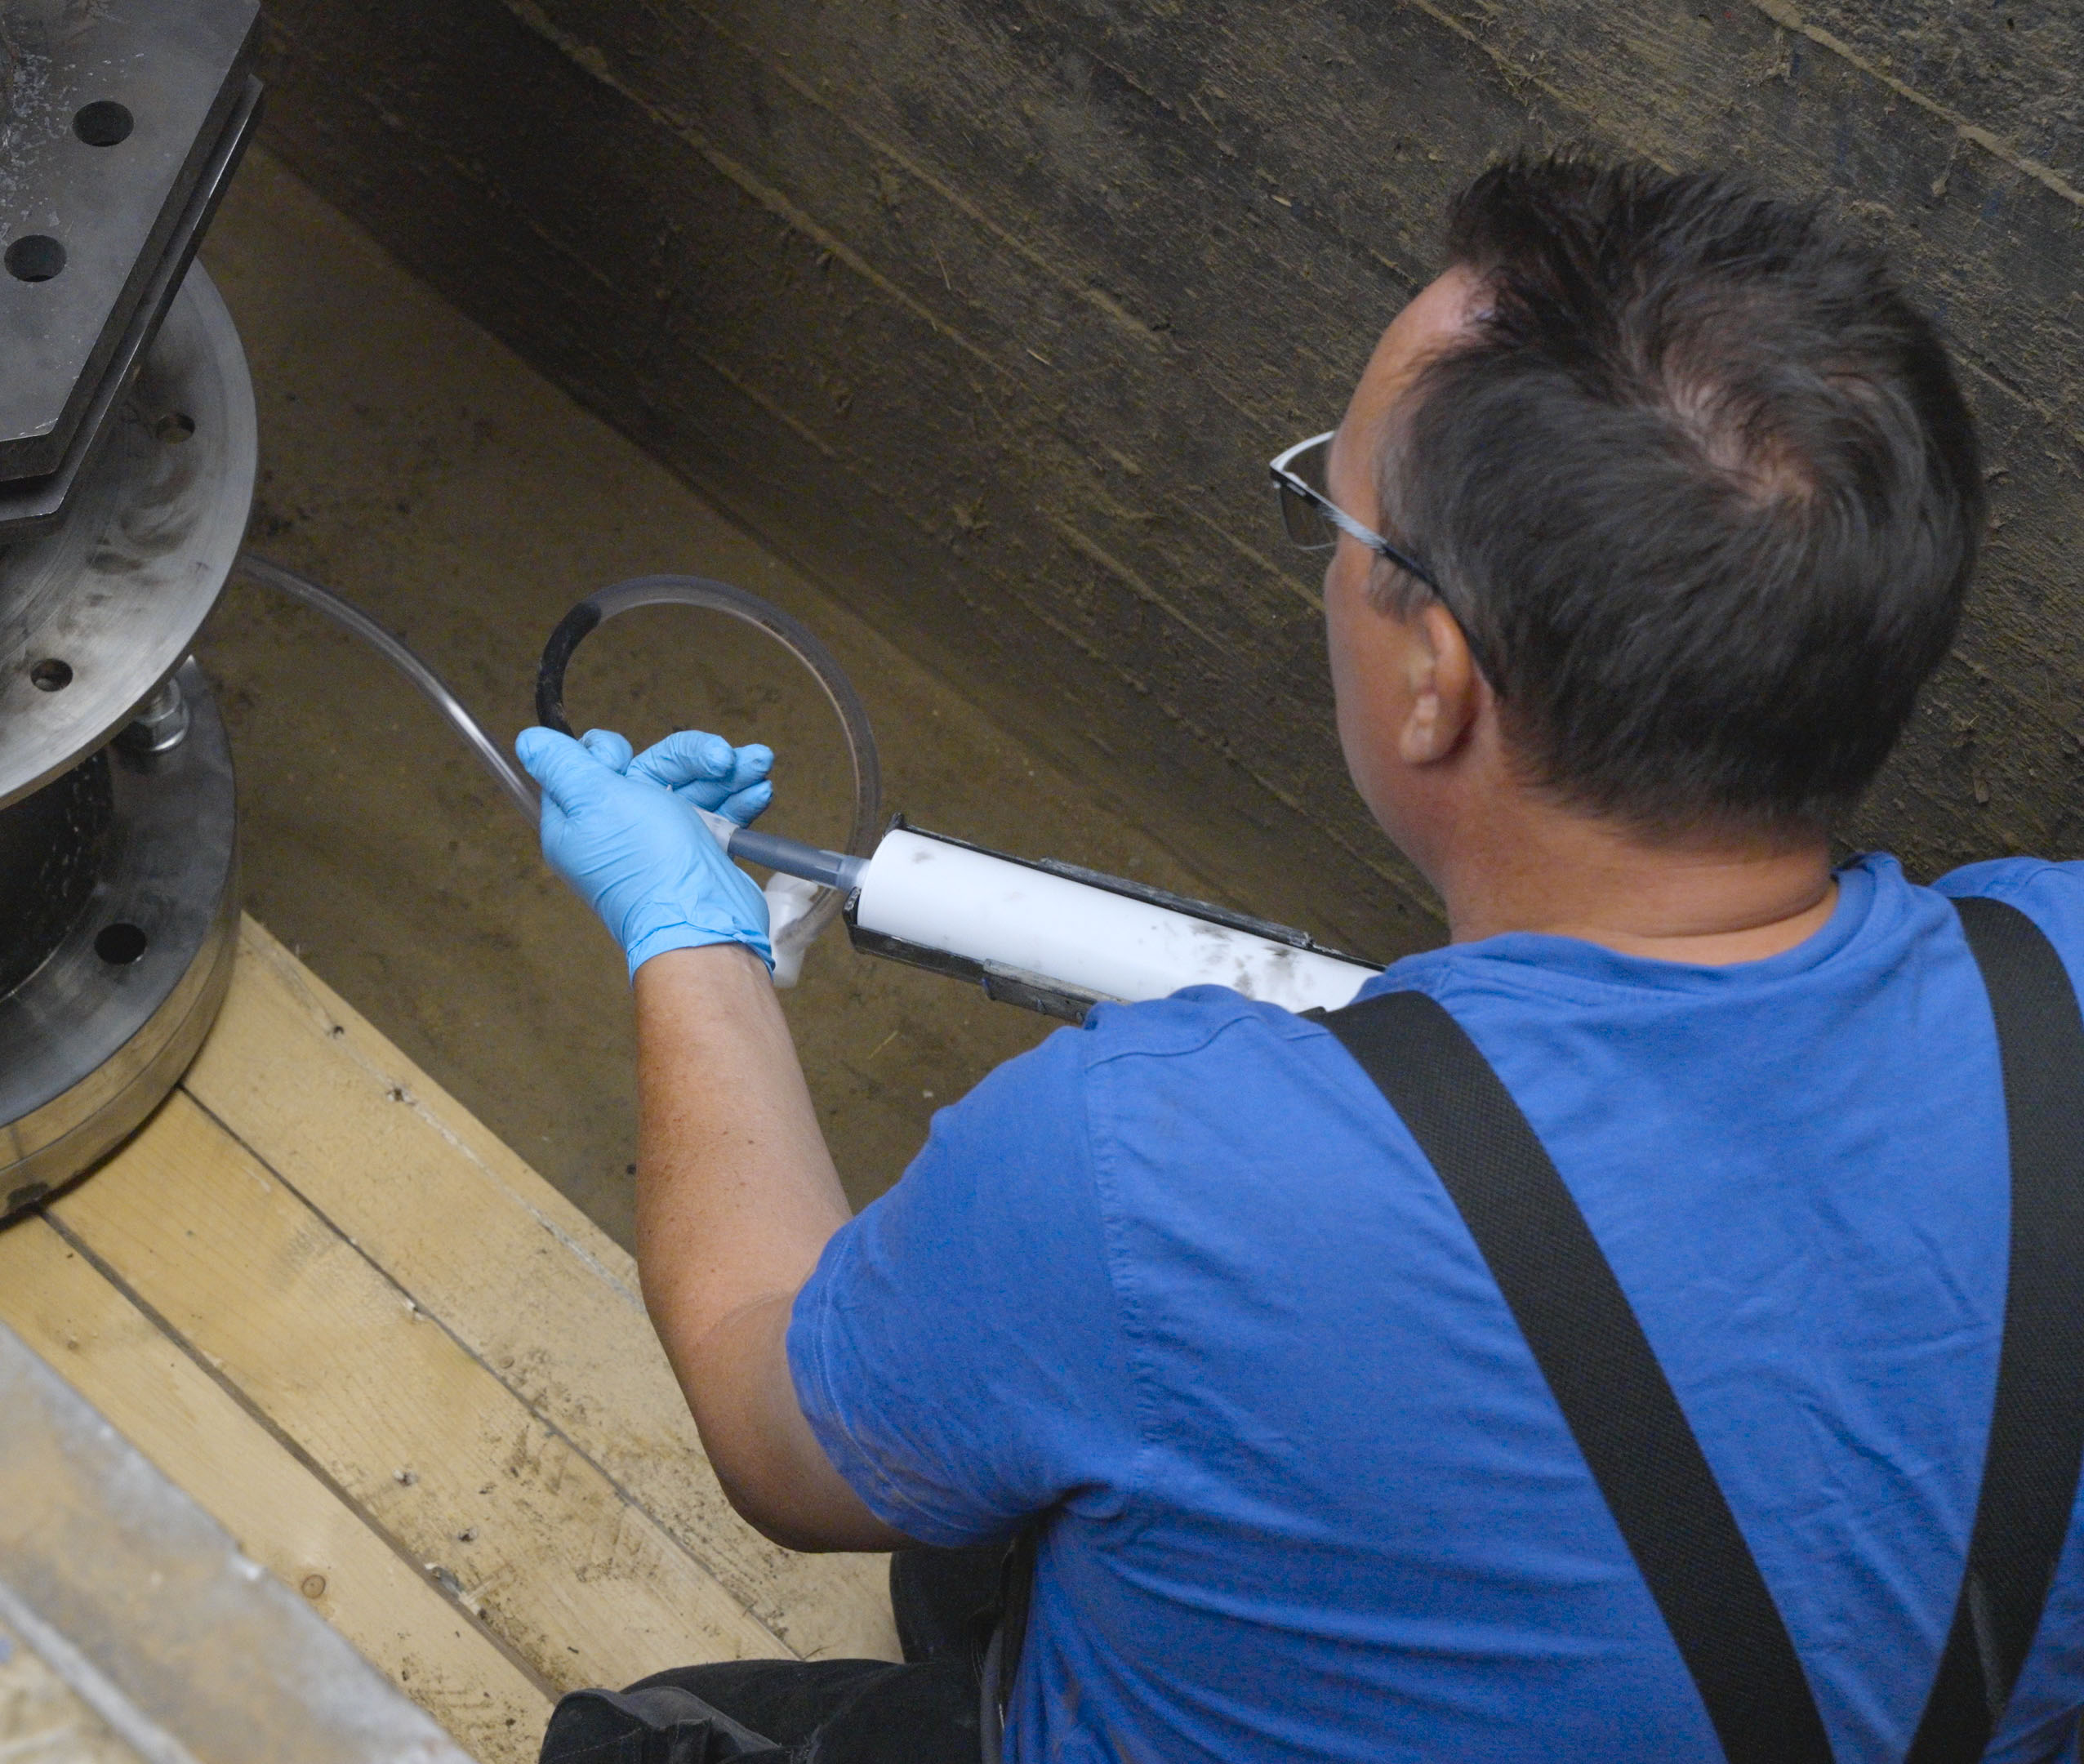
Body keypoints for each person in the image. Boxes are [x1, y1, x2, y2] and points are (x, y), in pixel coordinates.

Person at [513, 154, 2084, 1761]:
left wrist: (688, 938)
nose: (1324, 557)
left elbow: (772, 1424)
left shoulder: (1150, 1178)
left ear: (1436, 680)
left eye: (1329, 509)